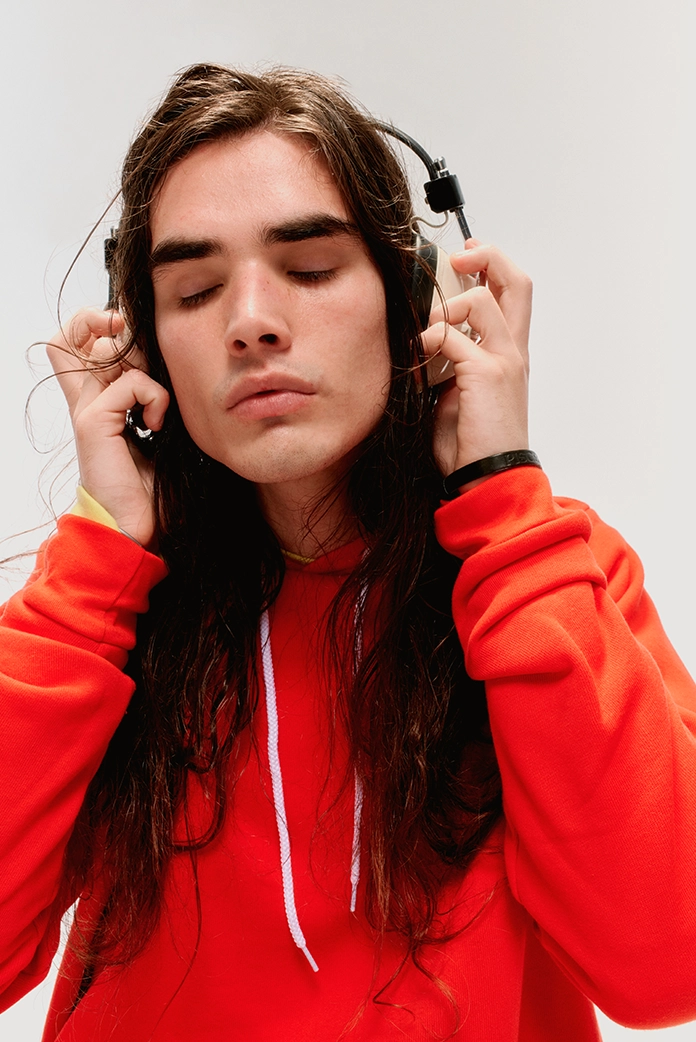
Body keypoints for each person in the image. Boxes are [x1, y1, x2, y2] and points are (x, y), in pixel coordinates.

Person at [1, 63, 695, 1042]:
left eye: (313, 268)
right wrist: (97, 556)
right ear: (149, 351)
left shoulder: (553, 568)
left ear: (409, 304)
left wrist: (501, 491)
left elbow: (669, 963)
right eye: (196, 289)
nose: (251, 322)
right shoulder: (100, 610)